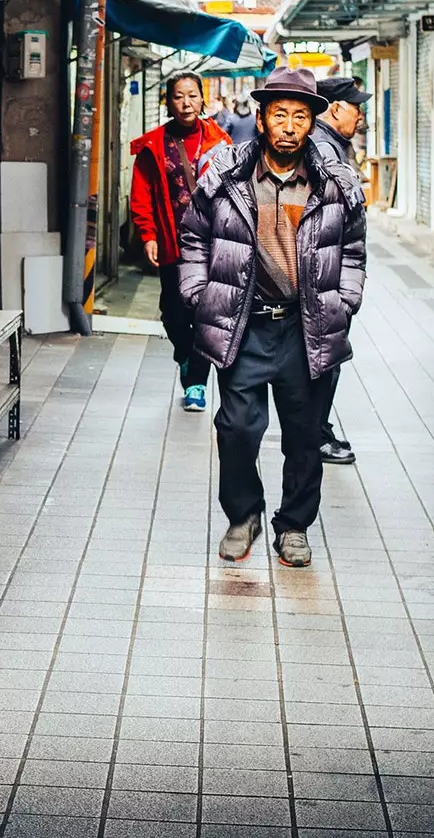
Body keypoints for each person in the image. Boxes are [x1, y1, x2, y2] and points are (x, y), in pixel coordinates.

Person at [177, 68, 367, 568]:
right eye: (279, 115)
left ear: (310, 124)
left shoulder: (334, 182)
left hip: (308, 327)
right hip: (244, 323)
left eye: (299, 117)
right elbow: (194, 235)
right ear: (261, 119)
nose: (288, 126)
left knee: (305, 435)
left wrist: (344, 299)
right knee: (237, 428)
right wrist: (198, 293)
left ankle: (295, 526)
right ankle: (244, 516)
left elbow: (354, 248)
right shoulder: (224, 173)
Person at [128, 69, 233, 412]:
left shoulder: (220, 143)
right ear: (168, 101)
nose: (186, 103)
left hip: (210, 244)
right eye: (178, 96)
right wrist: (148, 234)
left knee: (203, 313)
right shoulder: (153, 145)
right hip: (172, 243)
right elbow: (141, 194)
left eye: (192, 95)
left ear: (203, 99)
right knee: (172, 312)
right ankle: (185, 355)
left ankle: (197, 384)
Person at [310, 75, 372, 467]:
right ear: (335, 108)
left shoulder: (332, 144)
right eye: (356, 107)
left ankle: (315, 430)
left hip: (331, 271)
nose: (361, 116)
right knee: (323, 356)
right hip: (323, 273)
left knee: (324, 356)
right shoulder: (322, 147)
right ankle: (313, 435)